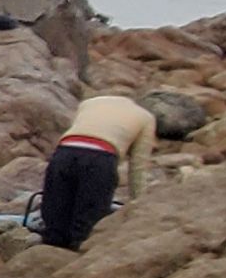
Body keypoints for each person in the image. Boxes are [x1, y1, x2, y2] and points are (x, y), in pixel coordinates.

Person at [33, 91, 155, 249]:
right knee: (87, 224)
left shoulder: (89, 103)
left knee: (55, 218)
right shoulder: (145, 117)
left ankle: (50, 251)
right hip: (101, 157)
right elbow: (138, 167)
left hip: (65, 151)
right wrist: (139, 203)